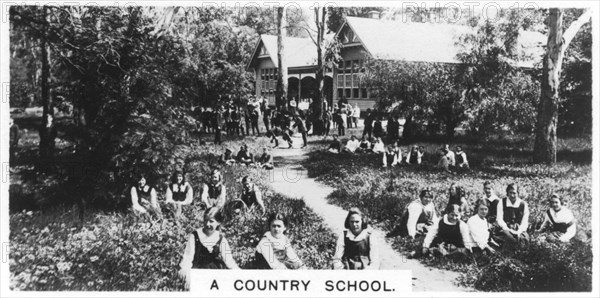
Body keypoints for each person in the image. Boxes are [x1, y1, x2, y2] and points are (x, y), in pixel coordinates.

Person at [178, 208, 239, 285]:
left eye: (211, 221)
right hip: (197, 273)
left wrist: (240, 274)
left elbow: (229, 261)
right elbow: (187, 259)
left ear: (218, 223)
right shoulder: (195, 236)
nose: (207, 224)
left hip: (214, 274)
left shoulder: (221, 239)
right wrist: (187, 275)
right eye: (206, 220)